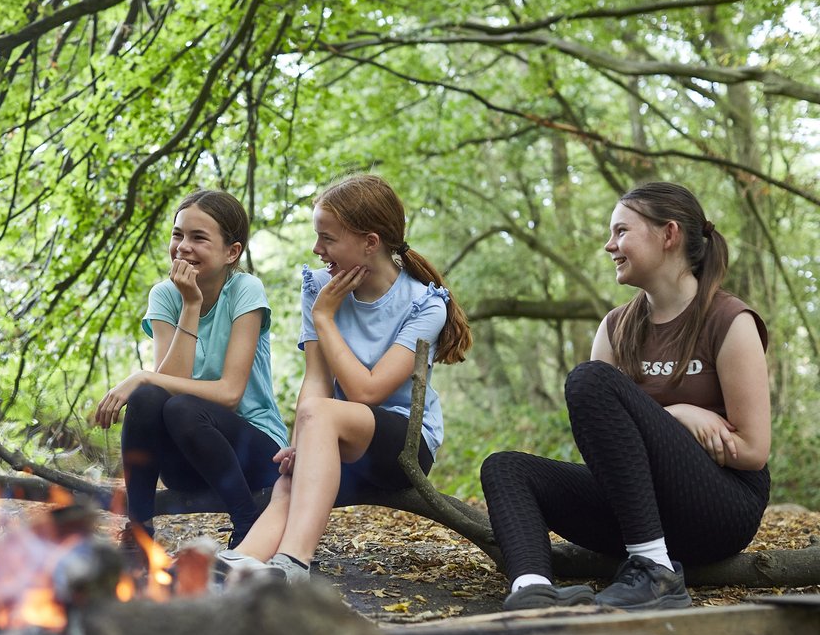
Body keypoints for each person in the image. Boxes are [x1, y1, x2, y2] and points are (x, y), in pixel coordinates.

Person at [480, 181, 772, 611]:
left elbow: (752, 450)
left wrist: (669, 419)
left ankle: (655, 570)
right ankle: (531, 588)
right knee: (505, 468)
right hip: (640, 510)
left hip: (720, 508)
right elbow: (606, 444)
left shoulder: (729, 320)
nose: (608, 245)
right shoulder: (616, 327)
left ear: (668, 235)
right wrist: (679, 412)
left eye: (621, 232)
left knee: (589, 379)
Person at [219, 173, 472, 582]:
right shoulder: (318, 285)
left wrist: (325, 317)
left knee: (323, 414)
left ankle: (293, 562)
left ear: (370, 242)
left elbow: (367, 391)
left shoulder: (425, 304)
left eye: (328, 238)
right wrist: (299, 443)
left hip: (405, 444)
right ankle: (244, 560)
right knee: (291, 473)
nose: (318, 250)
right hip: (334, 430)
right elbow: (316, 379)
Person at [93, 190, 289, 549]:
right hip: (189, 462)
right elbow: (169, 387)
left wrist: (143, 375)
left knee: (171, 400)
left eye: (198, 238)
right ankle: (139, 532)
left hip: (257, 454)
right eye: (177, 234)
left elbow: (230, 394)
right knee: (151, 398)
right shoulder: (165, 296)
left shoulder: (245, 290)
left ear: (232, 252)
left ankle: (248, 526)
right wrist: (190, 304)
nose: (182, 246)